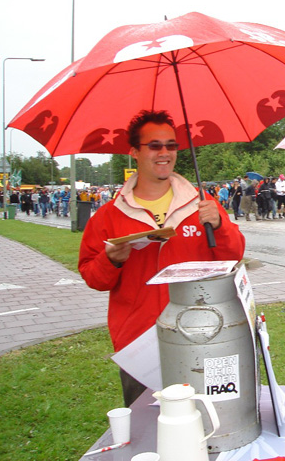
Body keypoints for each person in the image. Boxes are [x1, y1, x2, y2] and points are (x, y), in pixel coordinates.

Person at [78, 110, 245, 407]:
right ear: (134, 152)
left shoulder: (203, 204)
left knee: (210, 422)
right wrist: (112, 260)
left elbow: (233, 257)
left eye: (172, 145)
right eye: (155, 146)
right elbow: (93, 277)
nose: (165, 153)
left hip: (200, 332)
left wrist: (219, 227)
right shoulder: (109, 215)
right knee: (150, 434)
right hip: (139, 346)